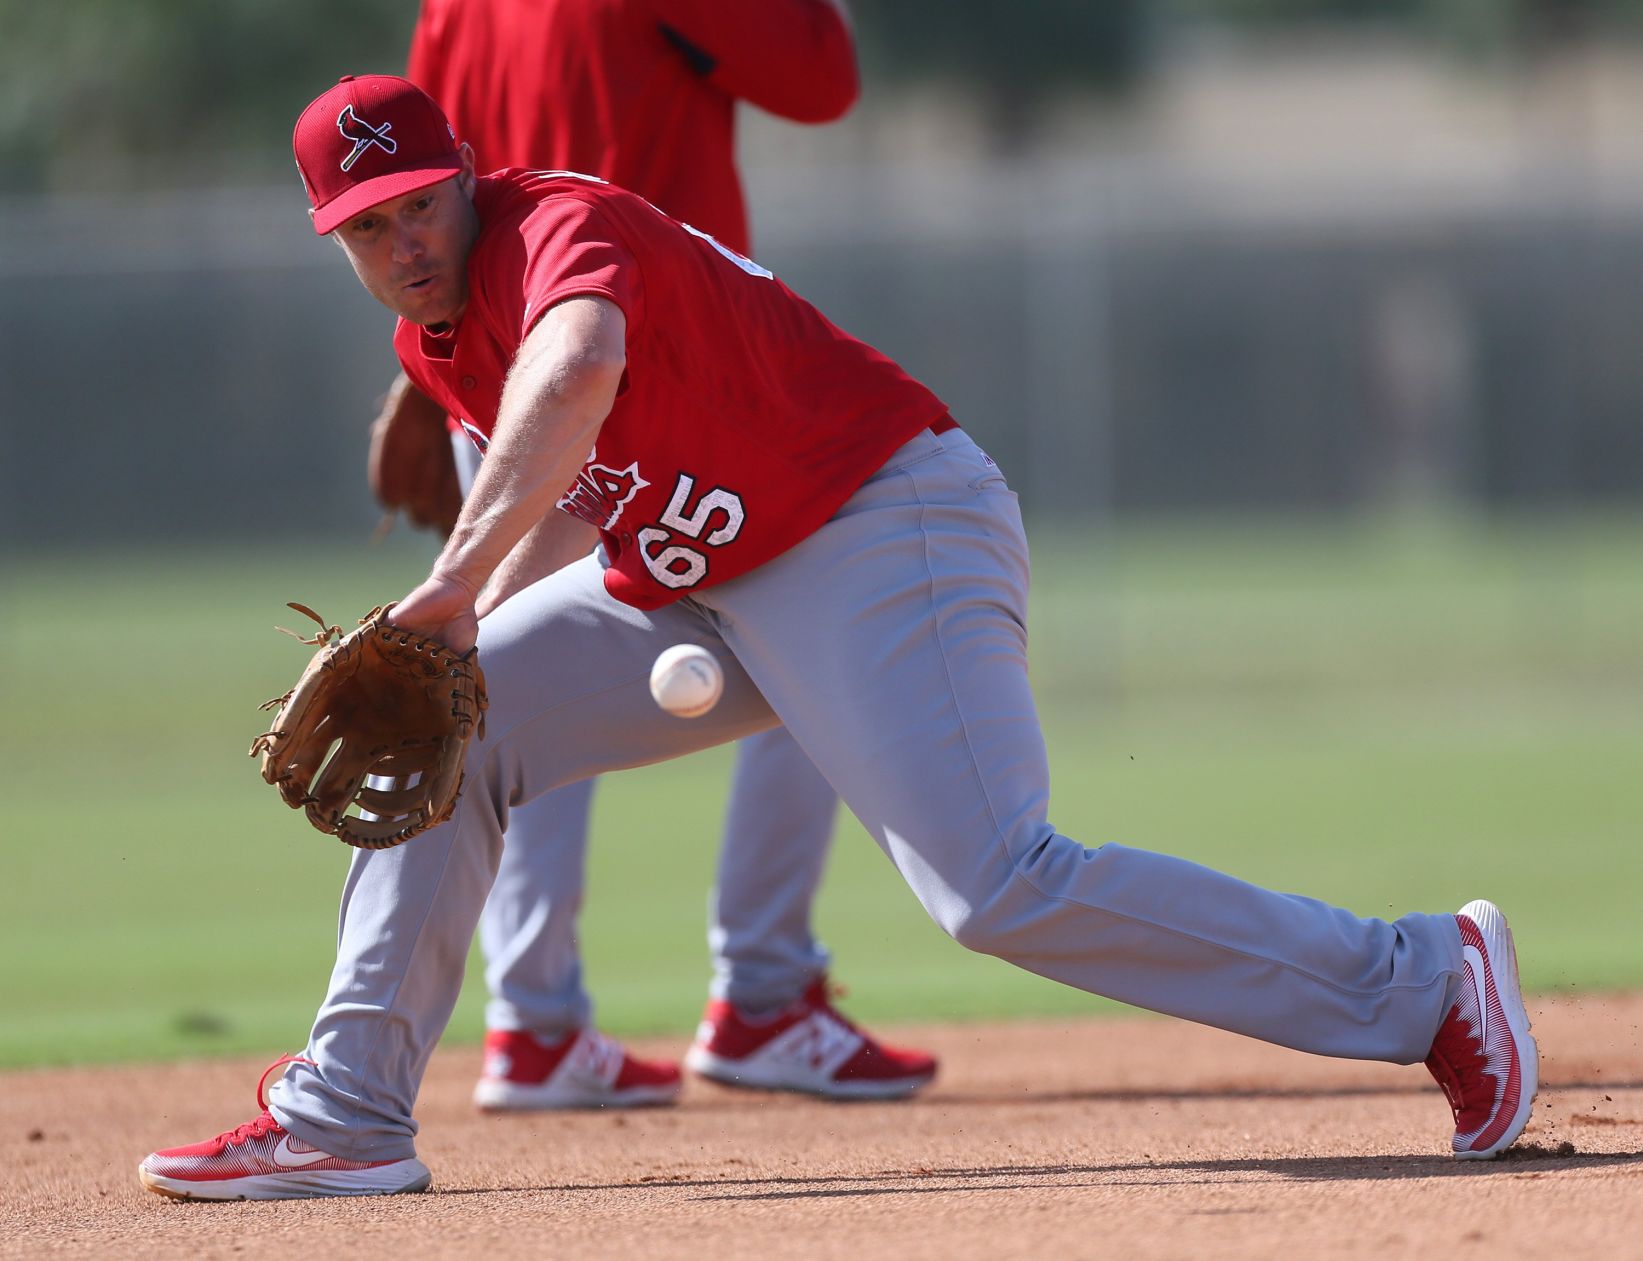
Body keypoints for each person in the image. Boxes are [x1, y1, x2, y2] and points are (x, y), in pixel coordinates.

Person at [137, 75, 1538, 1201]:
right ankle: (347, 1113)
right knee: (460, 710)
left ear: (466, 177)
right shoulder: (430, 343)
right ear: (336, 241)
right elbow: (568, 508)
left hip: (877, 525)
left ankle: (1423, 979)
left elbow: (578, 369)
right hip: (704, 579)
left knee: (994, 886)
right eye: (370, 228)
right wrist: (462, 635)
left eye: (421, 204)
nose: (407, 242)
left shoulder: (556, 225)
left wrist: (445, 588)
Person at [372, 0, 937, 1111]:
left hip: (491, 360)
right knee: (823, 609)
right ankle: (764, 991)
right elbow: (820, 82)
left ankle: (533, 1021)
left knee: (503, 669)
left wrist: (419, 361)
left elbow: (425, 176)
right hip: (653, 359)